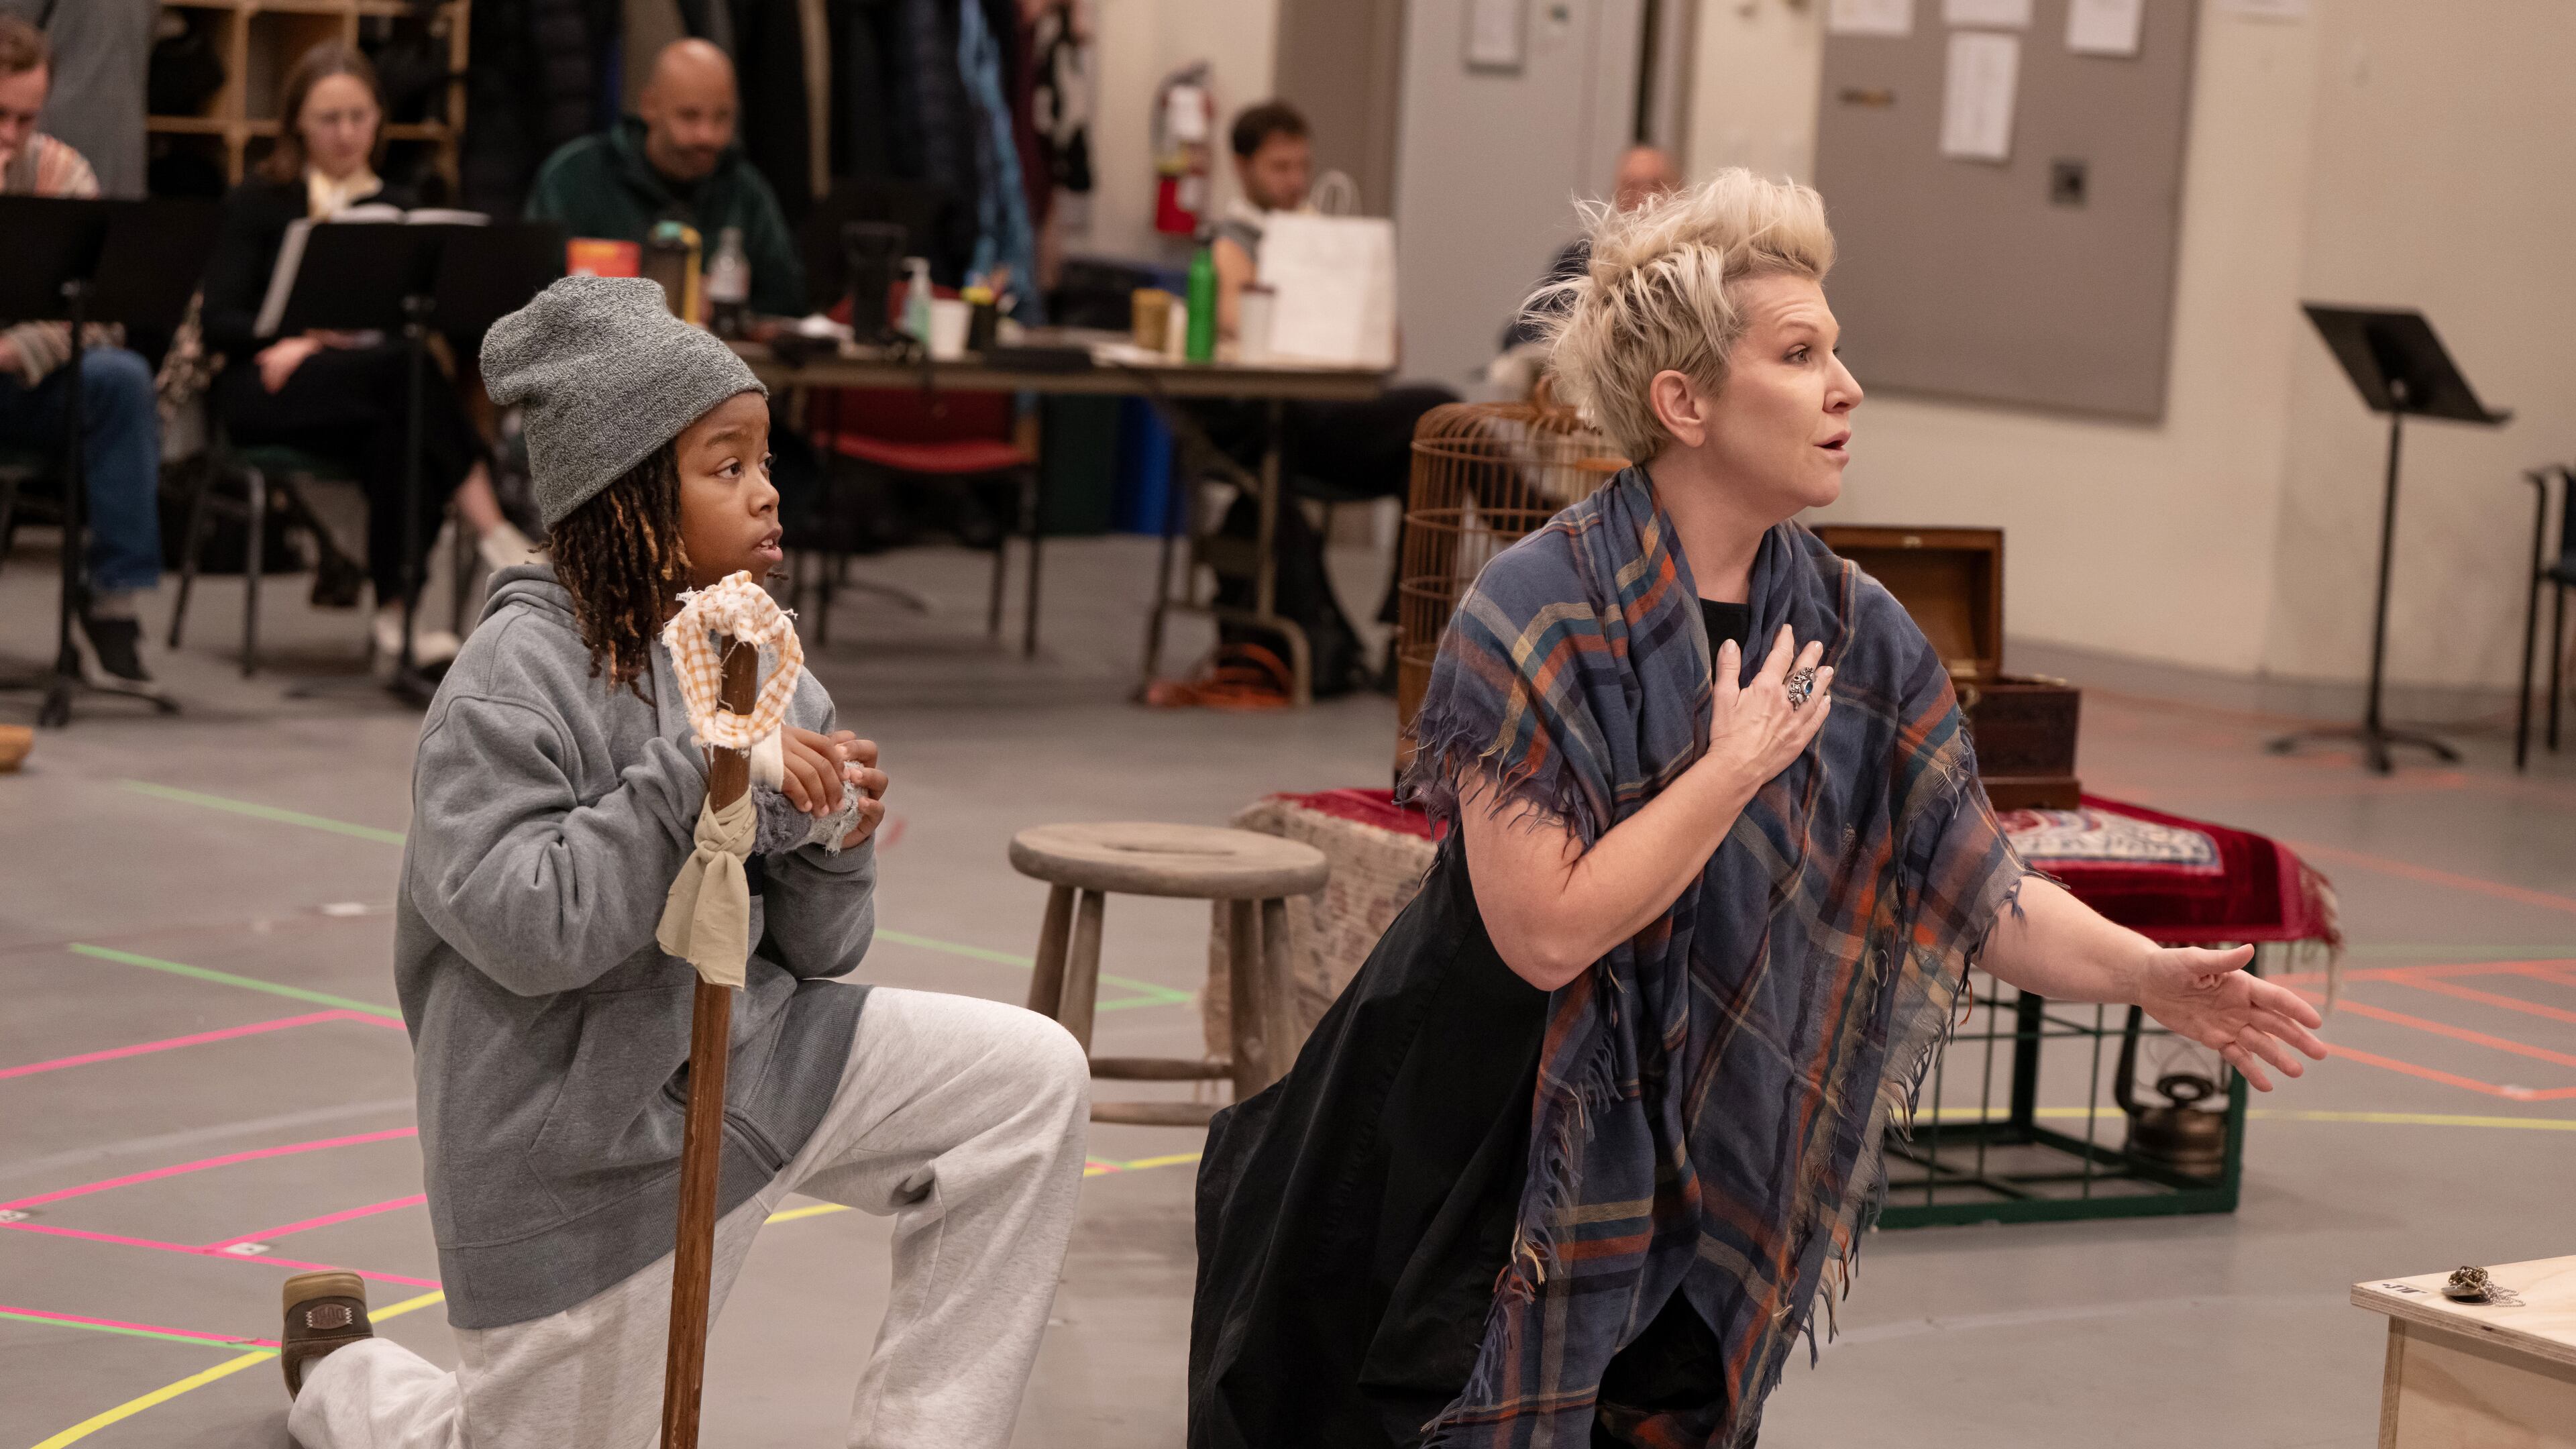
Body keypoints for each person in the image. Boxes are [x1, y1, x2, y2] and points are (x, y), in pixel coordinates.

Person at [1187, 171, 2331, 1448]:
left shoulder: (1856, 630)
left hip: (1700, 1161)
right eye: (1800, 355)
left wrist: (2151, 979)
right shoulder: (1534, 609)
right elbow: (1548, 935)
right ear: (1684, 402)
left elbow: (1981, 891)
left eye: (1838, 352)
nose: (1847, 389)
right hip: (1473, 1154)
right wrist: (1727, 772)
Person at [270, 275, 1093, 1449]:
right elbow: (527, 930)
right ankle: (347, 1381)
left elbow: (821, 952)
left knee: (1029, 1083)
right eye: (727, 466)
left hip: (741, 1057)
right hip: (579, 1149)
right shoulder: (511, 681)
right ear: (630, 500)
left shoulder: (755, 649)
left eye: (764, 460)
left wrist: (829, 833)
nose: (769, 495)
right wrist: (703, 777)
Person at [199, 42, 533, 665]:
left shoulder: (405, 210)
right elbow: (220, 320)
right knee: (409, 377)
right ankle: (493, 531)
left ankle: (394, 617)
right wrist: (295, 341)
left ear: (379, 119)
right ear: (296, 121)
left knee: (402, 425)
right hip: (268, 385)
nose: (346, 133)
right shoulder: (257, 202)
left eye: (359, 116)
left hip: (373, 390)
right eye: (329, 119)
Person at [1199, 99, 1458, 689]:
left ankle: (1409, 635)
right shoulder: (1231, 242)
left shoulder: (1329, 238)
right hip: (1285, 419)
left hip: (1334, 411)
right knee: (1432, 416)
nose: (1294, 182)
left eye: (1301, 167)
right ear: (1242, 168)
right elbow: (1239, 319)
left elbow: (1387, 345)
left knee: (1438, 430)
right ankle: (1534, 520)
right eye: (1279, 168)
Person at [0, 15, 160, 682]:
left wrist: (13, 352)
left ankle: (112, 597)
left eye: (25, 120)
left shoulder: (64, 172)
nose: (10, 137)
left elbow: (97, 317)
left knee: (121, 376)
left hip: (27, 383)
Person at [525, 38, 806, 319]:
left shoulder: (744, 189)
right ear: (650, 106)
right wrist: (645, 304)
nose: (706, 136)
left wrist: (727, 309)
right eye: (689, 116)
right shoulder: (575, 177)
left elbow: (787, 302)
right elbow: (529, 299)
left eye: (722, 117)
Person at [1500, 143, 1678, 352]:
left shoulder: (1696, 263)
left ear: (1680, 192)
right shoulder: (1582, 255)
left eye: (1656, 185)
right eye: (1631, 186)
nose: (1644, 198)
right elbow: (1520, 335)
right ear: (1615, 196)